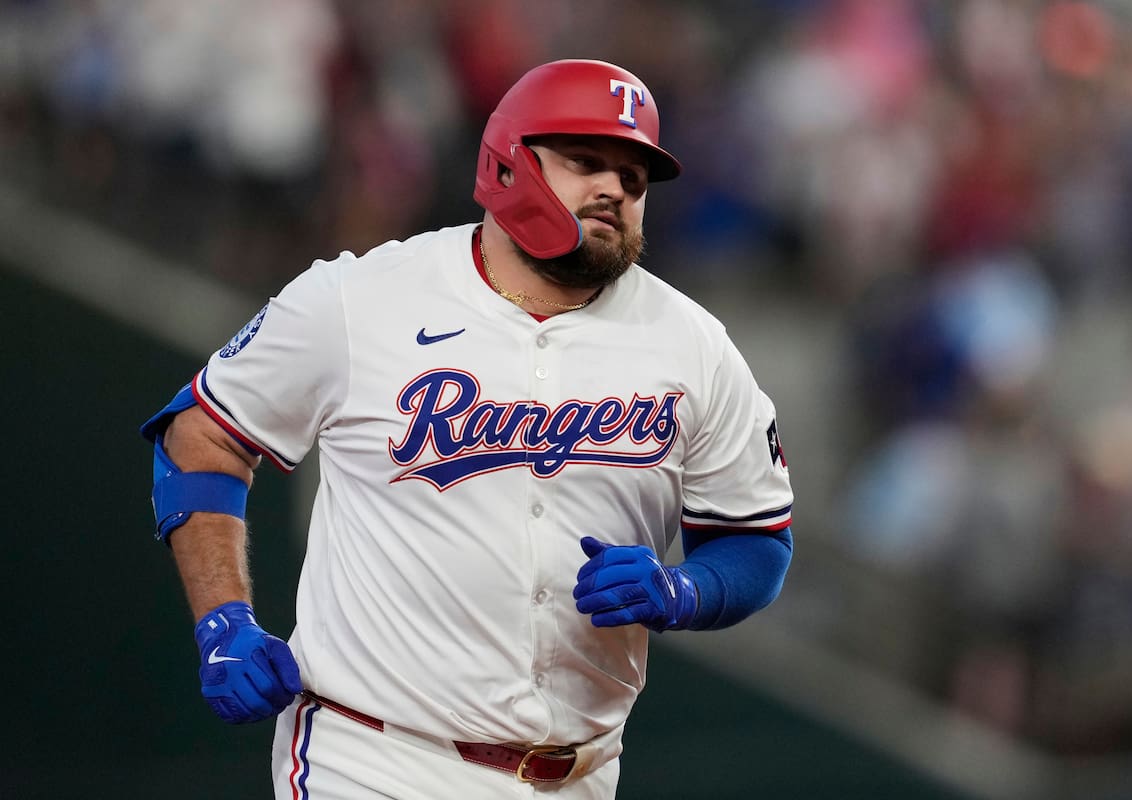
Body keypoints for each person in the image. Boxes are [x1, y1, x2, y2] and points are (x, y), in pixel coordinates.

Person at [141, 58, 793, 800]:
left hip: (579, 773)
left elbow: (757, 538)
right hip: (375, 756)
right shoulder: (362, 299)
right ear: (508, 163)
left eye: (634, 178)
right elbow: (202, 434)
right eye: (586, 161)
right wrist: (224, 622)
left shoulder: (694, 345)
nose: (613, 188)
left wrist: (684, 590)